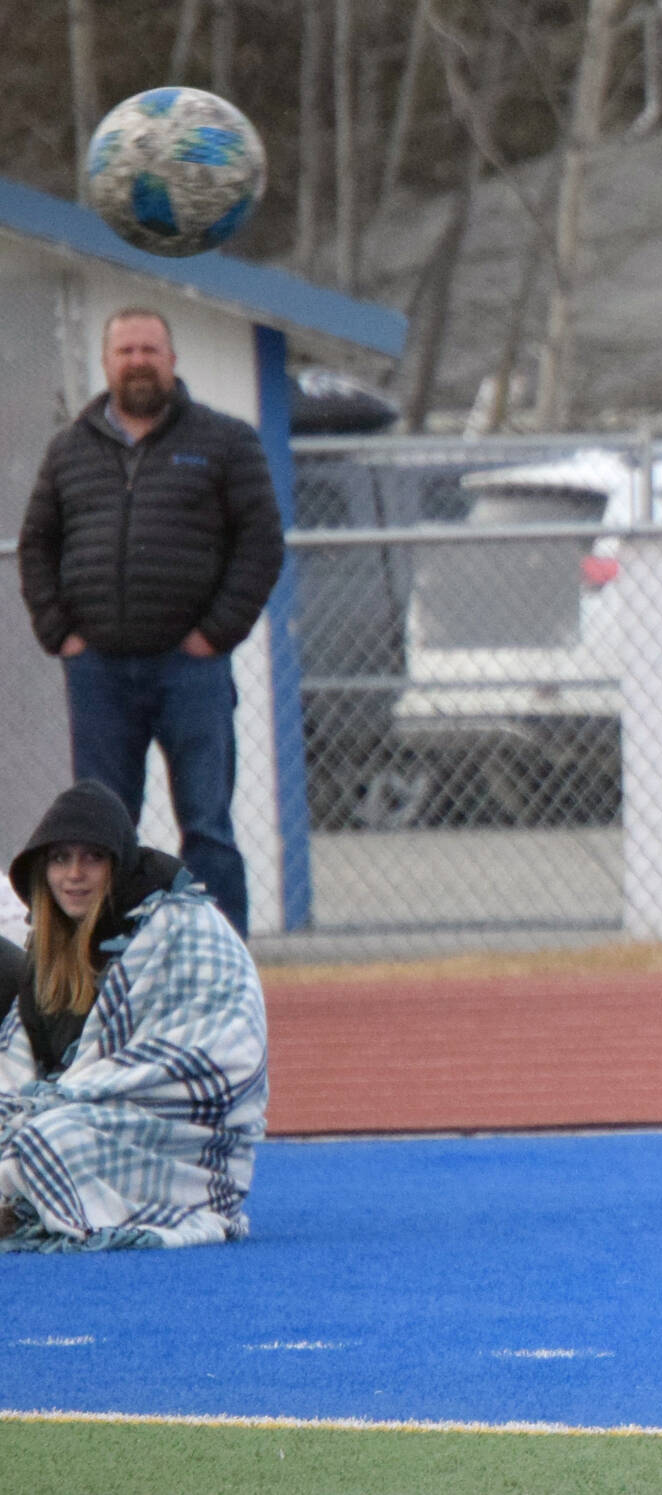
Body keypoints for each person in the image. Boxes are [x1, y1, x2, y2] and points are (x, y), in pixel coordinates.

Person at [17, 307, 285, 937]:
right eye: (126, 351)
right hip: (99, 673)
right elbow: (37, 545)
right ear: (108, 363)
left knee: (207, 824)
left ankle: (223, 960)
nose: (138, 361)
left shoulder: (225, 441)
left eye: (149, 350)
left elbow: (261, 544)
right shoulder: (69, 449)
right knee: (101, 829)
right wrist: (63, 634)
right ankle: (104, 961)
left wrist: (214, 634)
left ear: (171, 360)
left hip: (190, 669)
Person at [0, 779, 268, 1251]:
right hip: (78, 1107)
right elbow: (29, 1060)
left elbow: (218, 1050)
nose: (74, 875)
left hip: (171, 1131)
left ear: (118, 863)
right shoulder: (49, 942)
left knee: (52, 1138)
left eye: (92, 858)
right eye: (60, 859)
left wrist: (65, 1098)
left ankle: (28, 1204)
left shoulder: (180, 923)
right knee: (32, 1129)